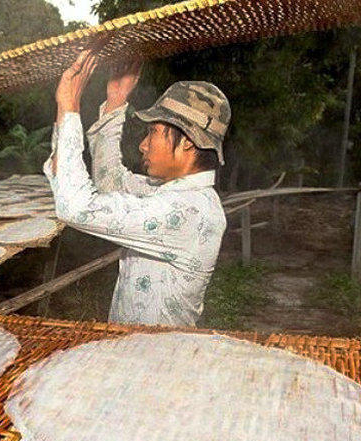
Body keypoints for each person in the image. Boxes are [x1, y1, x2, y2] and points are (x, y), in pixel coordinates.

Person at [43, 49, 230, 327]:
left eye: (153, 132)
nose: (143, 145)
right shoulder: (171, 193)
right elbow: (110, 182)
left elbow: (76, 208)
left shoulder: (189, 211)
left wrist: (69, 108)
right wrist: (115, 102)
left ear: (188, 142)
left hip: (154, 353)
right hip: (132, 345)